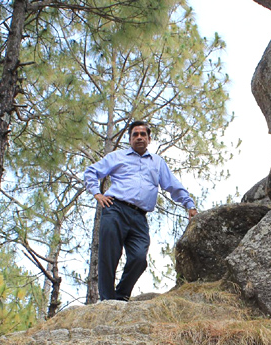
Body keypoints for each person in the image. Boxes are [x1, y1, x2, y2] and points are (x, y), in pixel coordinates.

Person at [84, 121, 198, 301]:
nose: (139, 137)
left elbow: (173, 185)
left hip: (139, 216)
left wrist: (189, 204)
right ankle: (107, 300)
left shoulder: (157, 163)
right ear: (130, 139)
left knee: (139, 258)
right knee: (109, 255)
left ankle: (120, 295)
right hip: (115, 209)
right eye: (135, 134)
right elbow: (91, 172)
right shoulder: (117, 157)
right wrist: (97, 193)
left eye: (142, 134)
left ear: (149, 139)